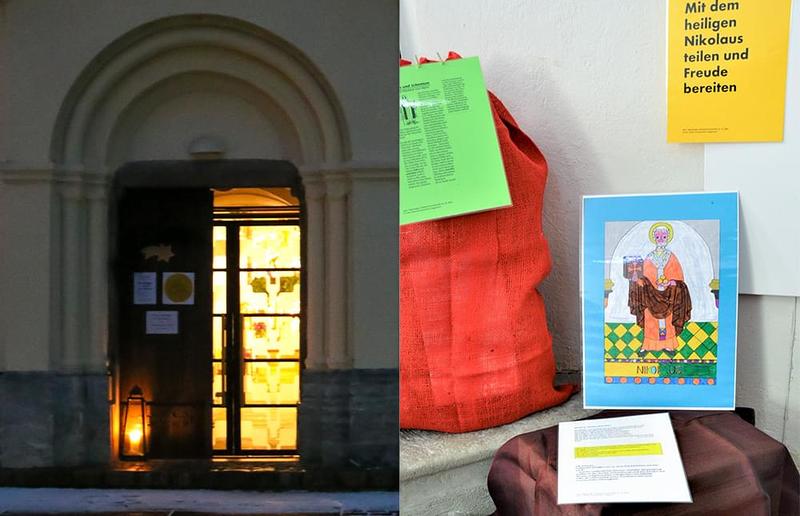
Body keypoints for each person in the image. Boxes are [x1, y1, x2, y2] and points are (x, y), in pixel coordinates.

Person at [629, 222, 691, 355]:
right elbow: (643, 278)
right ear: (654, 238)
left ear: (667, 238)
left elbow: (679, 278)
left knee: (667, 320)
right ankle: (648, 345)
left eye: (664, 237)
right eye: (658, 237)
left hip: (668, 295)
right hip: (651, 296)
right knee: (650, 319)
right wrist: (636, 280)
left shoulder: (671, 257)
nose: (661, 239)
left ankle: (668, 345)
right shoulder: (649, 258)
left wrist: (671, 283)